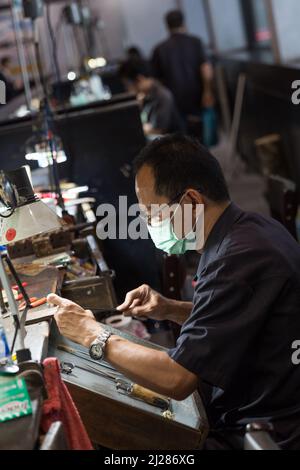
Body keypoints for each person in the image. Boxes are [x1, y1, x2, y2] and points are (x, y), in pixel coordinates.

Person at [48, 134, 300, 450]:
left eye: (152, 213)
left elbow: (177, 380)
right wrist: (170, 308)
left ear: (192, 201)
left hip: (262, 433)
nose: (149, 223)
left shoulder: (235, 259)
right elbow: (241, 317)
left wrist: (91, 334)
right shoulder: (252, 229)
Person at [151, 10, 214, 121]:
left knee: (181, 136)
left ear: (167, 26)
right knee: (201, 132)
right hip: (197, 97)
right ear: (183, 23)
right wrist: (207, 92)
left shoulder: (159, 49)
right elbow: (206, 69)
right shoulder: (196, 42)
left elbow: (157, 81)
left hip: (174, 103)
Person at [119, 59, 184, 136]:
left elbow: (159, 130)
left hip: (170, 143)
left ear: (139, 79)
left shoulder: (162, 95)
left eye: (128, 85)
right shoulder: (146, 95)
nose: (128, 89)